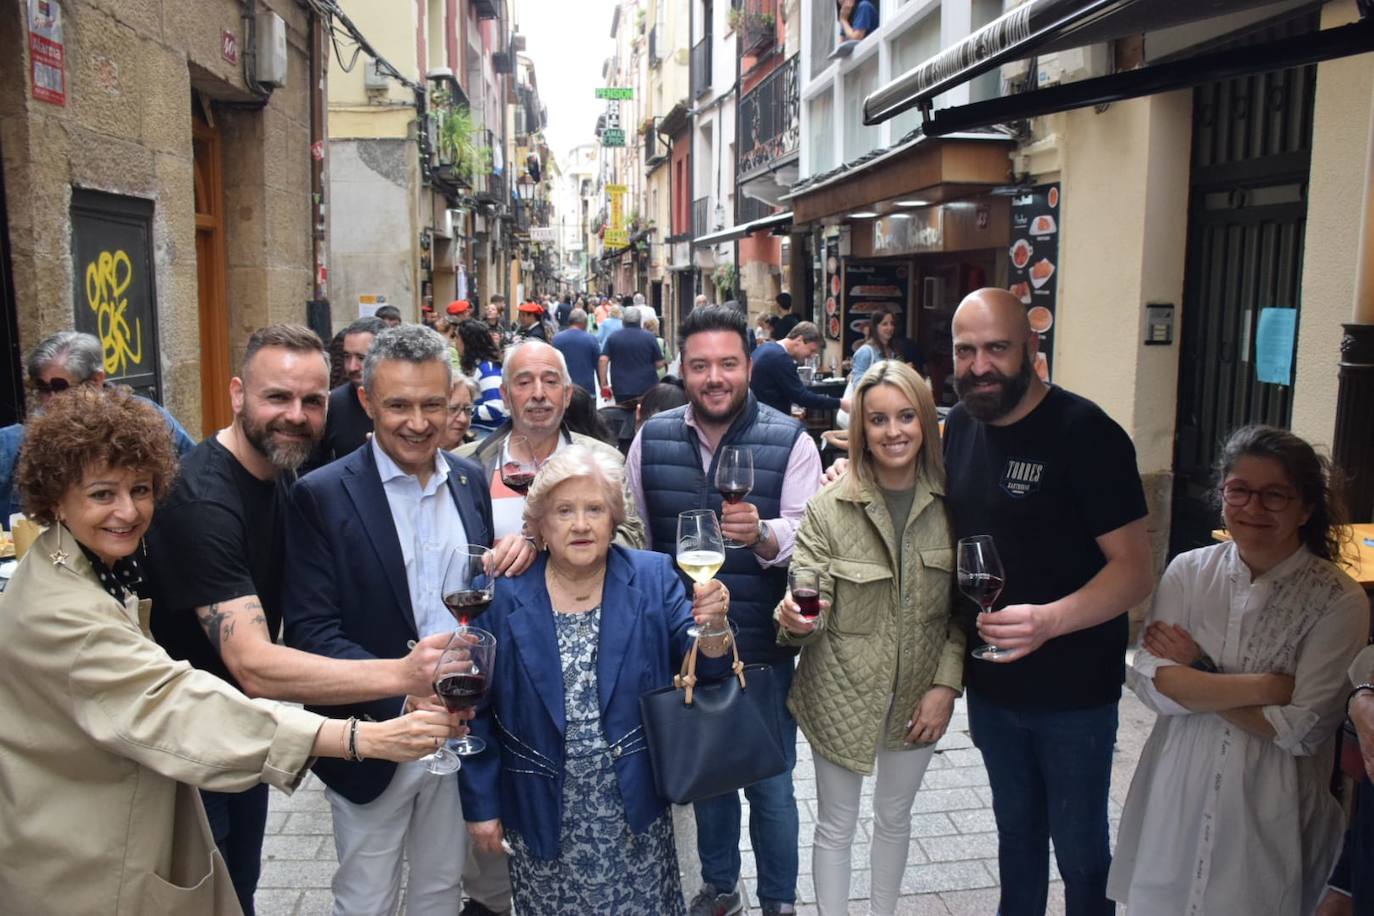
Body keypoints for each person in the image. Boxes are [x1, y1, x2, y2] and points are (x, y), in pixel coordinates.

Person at [0, 386, 458, 916]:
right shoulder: (62, 610)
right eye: (103, 494)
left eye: (142, 489)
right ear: (55, 495)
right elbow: (179, 703)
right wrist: (366, 737)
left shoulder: (87, 562)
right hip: (87, 863)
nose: (127, 511)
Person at [143, 323, 457, 915]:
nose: (296, 415)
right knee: (209, 898)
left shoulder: (278, 474)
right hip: (186, 749)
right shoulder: (205, 502)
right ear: (237, 394)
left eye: (311, 400)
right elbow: (256, 664)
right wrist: (405, 678)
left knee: (238, 890)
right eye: (276, 397)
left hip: (234, 731)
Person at [283, 325, 535, 916]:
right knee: (366, 898)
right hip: (373, 739)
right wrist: (402, 702)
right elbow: (313, 633)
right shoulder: (321, 495)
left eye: (431, 404)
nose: (417, 422)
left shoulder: (472, 482)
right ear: (368, 401)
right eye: (398, 405)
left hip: (455, 732)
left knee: (440, 893)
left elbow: (478, 606)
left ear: (452, 400)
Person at [942, 288, 1154, 916]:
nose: (979, 365)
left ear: (1031, 350)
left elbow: (1136, 572)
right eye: (965, 350)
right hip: (993, 688)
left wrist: (1047, 621)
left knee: (1083, 853)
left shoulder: (1086, 434)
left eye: (996, 349)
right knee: (1017, 840)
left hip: (1074, 694)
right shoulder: (959, 427)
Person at [1107, 425, 1368, 916]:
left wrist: (1198, 674)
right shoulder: (1189, 570)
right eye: (1240, 490)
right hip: (1179, 783)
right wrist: (1268, 686)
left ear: (1306, 508)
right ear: (1222, 494)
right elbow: (1152, 684)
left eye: (1275, 496)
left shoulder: (1337, 599)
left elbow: (1300, 730)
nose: (1253, 508)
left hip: (1272, 801)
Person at [460, 445, 731, 915]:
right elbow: (475, 711)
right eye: (564, 511)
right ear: (539, 525)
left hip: (634, 811)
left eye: (595, 509)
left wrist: (713, 628)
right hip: (543, 812)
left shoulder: (652, 577)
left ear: (614, 519)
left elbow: (707, 671)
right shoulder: (503, 597)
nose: (581, 524)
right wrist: (482, 807)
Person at [626, 304, 823, 916]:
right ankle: (718, 886)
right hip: (683, 646)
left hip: (759, 647)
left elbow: (809, 535)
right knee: (708, 777)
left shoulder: (789, 440)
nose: (715, 377)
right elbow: (633, 532)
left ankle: (779, 900)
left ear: (748, 365)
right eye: (701, 364)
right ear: (680, 369)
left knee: (770, 785)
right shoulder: (651, 436)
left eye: (728, 364)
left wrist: (761, 534)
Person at [775, 361, 963, 916]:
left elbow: (963, 609)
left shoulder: (952, 504)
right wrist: (793, 620)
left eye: (906, 416)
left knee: (896, 816)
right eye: (877, 419)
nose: (893, 431)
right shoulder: (828, 507)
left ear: (926, 421)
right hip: (841, 691)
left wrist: (946, 685)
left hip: (917, 697)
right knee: (835, 823)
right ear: (860, 429)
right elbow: (801, 597)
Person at [458, 339, 643, 546]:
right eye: (524, 383)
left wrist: (561, 552)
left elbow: (633, 537)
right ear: (505, 396)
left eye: (551, 382)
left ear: (567, 395)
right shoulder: (465, 464)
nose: (538, 394)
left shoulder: (604, 460)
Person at [0, 331, 195, 519]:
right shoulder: (15, 441)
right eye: (43, 388)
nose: (51, 400)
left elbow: (193, 476)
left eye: (60, 387)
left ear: (96, 381)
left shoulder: (147, 420)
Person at [303, 315, 387, 472]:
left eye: (361, 358)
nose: (351, 367)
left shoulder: (410, 399)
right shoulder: (333, 404)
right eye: (347, 356)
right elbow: (309, 466)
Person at [750, 322, 850, 419]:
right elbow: (803, 397)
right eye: (812, 351)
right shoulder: (780, 357)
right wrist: (840, 403)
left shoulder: (766, 348)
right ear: (800, 340)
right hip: (767, 421)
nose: (811, 356)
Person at [599, 306, 666, 407]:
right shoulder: (650, 337)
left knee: (623, 414)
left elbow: (603, 360)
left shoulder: (613, 337)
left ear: (623, 321)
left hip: (621, 387)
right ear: (639, 321)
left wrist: (604, 383)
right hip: (647, 387)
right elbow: (659, 364)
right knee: (646, 415)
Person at [455, 319, 508, 437]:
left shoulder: (487, 369)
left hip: (487, 432)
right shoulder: (476, 365)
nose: (455, 342)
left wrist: (462, 411)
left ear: (467, 342)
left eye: (457, 337)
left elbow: (495, 409)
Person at [552, 307, 601, 394]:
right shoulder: (591, 339)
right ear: (584, 322)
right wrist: (603, 385)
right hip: (586, 389)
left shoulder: (556, 339)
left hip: (563, 388)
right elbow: (599, 365)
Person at [850, 307, 901, 382]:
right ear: (875, 327)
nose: (890, 328)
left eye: (892, 324)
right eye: (884, 324)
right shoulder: (866, 351)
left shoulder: (893, 350)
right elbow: (858, 384)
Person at [442, 375, 480, 452]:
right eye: (453, 409)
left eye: (468, 409)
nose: (463, 419)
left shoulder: (479, 454)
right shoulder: (414, 458)